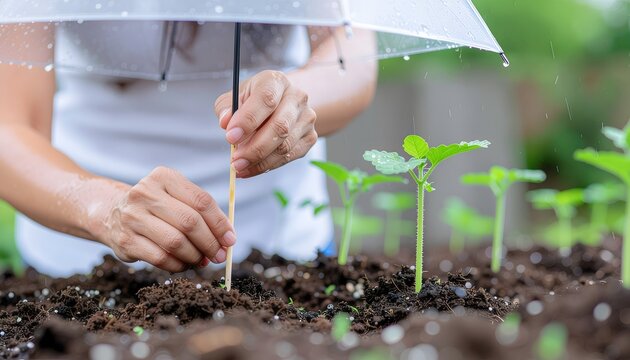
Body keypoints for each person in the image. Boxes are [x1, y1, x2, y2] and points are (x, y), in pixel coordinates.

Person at [0, 22, 377, 277]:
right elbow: (10, 124)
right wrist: (103, 207)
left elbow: (349, 56)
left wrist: (291, 103)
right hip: (78, 261)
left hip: (284, 251)